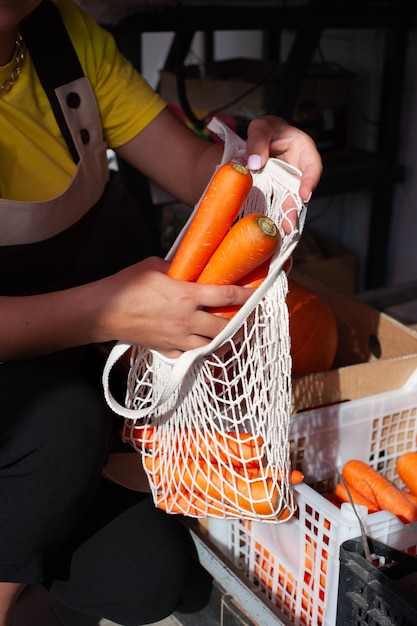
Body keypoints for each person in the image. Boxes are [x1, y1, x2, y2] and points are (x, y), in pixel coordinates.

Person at [0, 1, 323, 625]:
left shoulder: (63, 40)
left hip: (58, 375)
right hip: (40, 406)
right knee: (61, 422)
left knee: (150, 578)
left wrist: (268, 157)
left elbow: (200, 171)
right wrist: (107, 311)